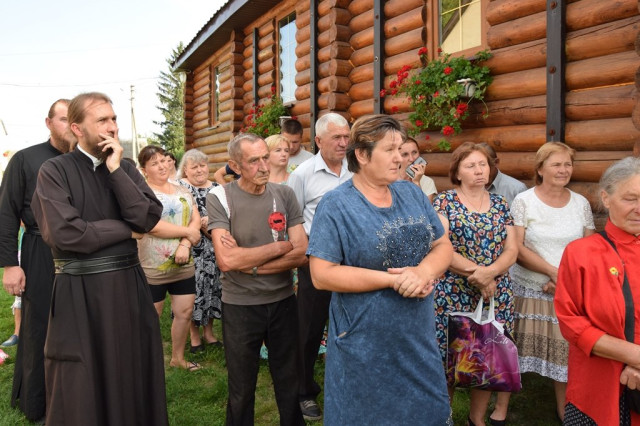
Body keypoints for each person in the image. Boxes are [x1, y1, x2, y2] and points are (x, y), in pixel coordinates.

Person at [31, 92, 168, 425]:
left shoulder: (126, 167)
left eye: (114, 119)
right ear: (77, 128)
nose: (112, 127)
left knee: (132, 369)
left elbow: (147, 218)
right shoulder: (54, 170)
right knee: (82, 379)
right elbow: (66, 234)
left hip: (129, 288)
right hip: (80, 292)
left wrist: (116, 170)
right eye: (102, 120)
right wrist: (125, 229)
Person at [307, 114, 452, 425]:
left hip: (417, 334)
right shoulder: (336, 205)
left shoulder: (412, 194)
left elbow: (442, 245)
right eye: (390, 150)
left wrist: (423, 272)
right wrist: (391, 280)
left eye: (401, 149)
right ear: (362, 154)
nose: (400, 158)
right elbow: (321, 274)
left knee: (427, 413)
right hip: (364, 340)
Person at [207, 133, 308, 425]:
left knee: (289, 380)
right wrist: (279, 247)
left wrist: (251, 264)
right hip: (240, 305)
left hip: (283, 301)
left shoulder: (284, 195)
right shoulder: (220, 197)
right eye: (254, 161)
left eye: (266, 157)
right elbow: (227, 261)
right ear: (235, 165)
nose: (264, 166)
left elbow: (302, 252)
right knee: (241, 387)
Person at [432, 142, 518, 426]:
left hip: (495, 293)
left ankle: (476, 420)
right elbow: (441, 246)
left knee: (487, 359)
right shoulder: (444, 202)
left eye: (483, 165)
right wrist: (480, 275)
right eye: (471, 166)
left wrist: (490, 274)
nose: (479, 170)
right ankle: (444, 419)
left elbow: (512, 250)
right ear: (457, 172)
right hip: (452, 293)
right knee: (449, 359)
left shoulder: (501, 203)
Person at [509, 142, 594, 421]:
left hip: (569, 291)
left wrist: (565, 280)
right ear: (540, 169)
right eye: (556, 164)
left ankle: (565, 410)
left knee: (565, 354)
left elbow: (589, 249)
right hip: (529, 288)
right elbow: (517, 248)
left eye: (568, 164)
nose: (563, 170)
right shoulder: (524, 201)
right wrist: (552, 273)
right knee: (513, 351)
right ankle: (501, 406)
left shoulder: (581, 203)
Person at [0, 98, 73, 422]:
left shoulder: (88, 160)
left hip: (82, 253)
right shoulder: (25, 159)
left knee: (78, 325)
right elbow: (6, 213)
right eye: (62, 119)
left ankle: (76, 396)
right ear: (48, 123)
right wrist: (10, 265)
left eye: (73, 119)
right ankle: (38, 403)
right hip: (39, 249)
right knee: (39, 326)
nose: (68, 126)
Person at [555, 157, 640, 425]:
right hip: (597, 389)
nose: (639, 209)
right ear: (606, 198)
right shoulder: (581, 253)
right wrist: (635, 356)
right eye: (631, 199)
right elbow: (572, 323)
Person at [287, 112, 352, 420]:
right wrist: (304, 256)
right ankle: (304, 391)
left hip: (354, 261)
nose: (343, 143)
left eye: (346, 136)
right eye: (336, 137)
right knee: (310, 328)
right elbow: (293, 219)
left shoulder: (357, 168)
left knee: (351, 325)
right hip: (317, 260)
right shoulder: (303, 174)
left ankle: (349, 386)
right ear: (318, 140)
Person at [138, 145, 202, 370]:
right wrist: (188, 233)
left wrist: (185, 244)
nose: (162, 166)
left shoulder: (182, 189)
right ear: (144, 170)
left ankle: (178, 359)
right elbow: (151, 226)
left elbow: (195, 218)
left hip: (184, 263)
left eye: (164, 160)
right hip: (153, 266)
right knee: (151, 316)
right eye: (154, 163)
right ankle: (147, 364)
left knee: (184, 312)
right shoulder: (141, 193)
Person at [177, 148, 223, 351]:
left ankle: (209, 332)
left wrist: (212, 220)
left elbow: (227, 214)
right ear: (185, 170)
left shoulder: (217, 188)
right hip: (191, 247)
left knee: (213, 288)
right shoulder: (180, 187)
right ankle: (194, 335)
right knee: (193, 291)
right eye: (194, 167)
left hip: (215, 247)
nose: (199, 170)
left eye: (202, 165)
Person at [399, 136, 437, 202]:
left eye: (414, 152)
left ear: (419, 153)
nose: (411, 159)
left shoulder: (427, 182)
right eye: (405, 154)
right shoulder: (389, 180)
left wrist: (416, 182)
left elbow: (424, 208)